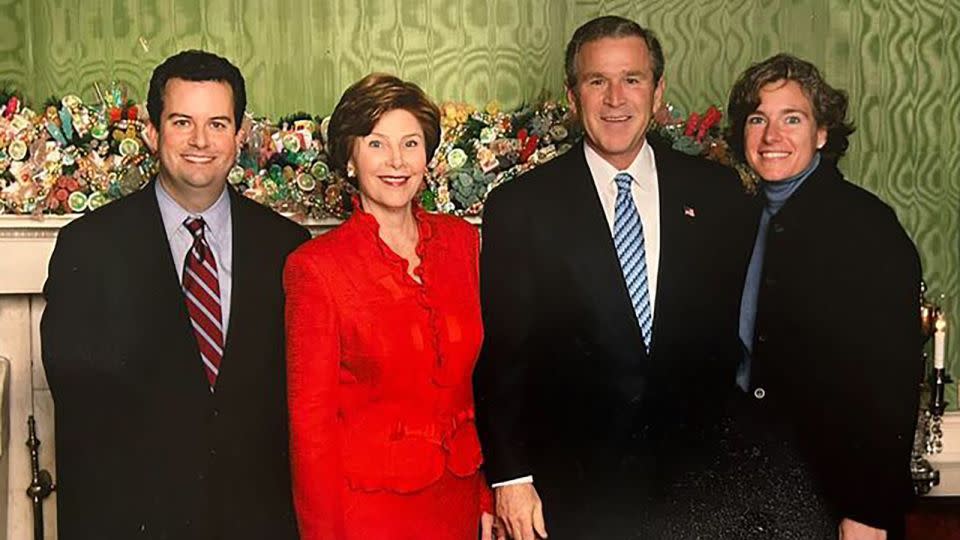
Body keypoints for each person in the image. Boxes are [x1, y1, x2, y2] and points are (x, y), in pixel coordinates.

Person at [474, 16, 754, 539]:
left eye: (632, 79)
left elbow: (736, 340)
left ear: (658, 89)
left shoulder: (716, 194)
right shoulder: (521, 206)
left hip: (698, 490)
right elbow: (505, 353)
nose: (615, 99)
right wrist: (511, 476)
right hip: (574, 492)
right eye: (596, 81)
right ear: (573, 94)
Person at [40, 50, 309, 539]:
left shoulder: (287, 248)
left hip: (257, 521)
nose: (201, 141)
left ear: (240, 134)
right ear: (151, 131)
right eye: (182, 121)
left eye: (218, 124)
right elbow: (82, 407)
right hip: (137, 520)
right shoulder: (90, 247)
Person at [284, 73, 494, 540]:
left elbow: (474, 389)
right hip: (370, 516)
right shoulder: (316, 268)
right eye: (376, 144)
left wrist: (484, 492)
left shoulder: (463, 244)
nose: (396, 161)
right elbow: (311, 432)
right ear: (349, 158)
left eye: (410, 143)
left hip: (457, 502)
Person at [729, 54, 922, 539]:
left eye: (791, 118)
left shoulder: (867, 228)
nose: (772, 137)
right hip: (746, 493)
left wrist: (868, 513)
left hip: (836, 501)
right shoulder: (734, 221)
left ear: (821, 133)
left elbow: (892, 384)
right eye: (758, 119)